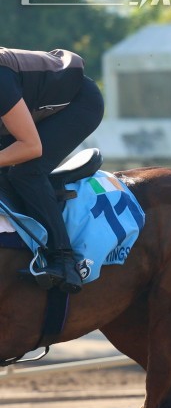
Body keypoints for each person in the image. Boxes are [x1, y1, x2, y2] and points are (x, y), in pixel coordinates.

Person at [0, 47, 105, 293]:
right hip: (34, 104)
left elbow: (31, 147)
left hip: (78, 103)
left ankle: (64, 260)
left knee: (25, 172)